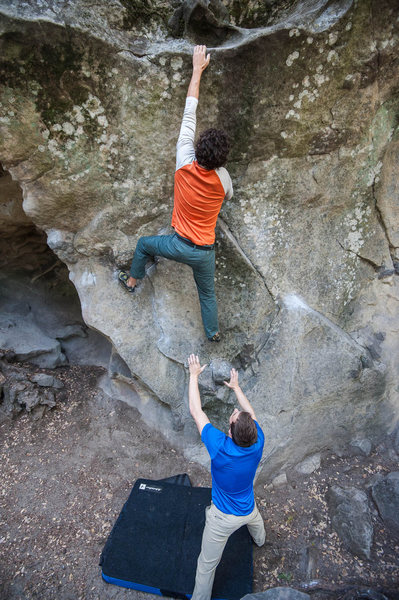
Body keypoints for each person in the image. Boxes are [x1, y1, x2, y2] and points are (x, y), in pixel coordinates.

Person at [118, 45, 233, 342]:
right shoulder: (223, 179)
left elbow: (189, 112)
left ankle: (131, 282)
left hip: (178, 245)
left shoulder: (184, 160)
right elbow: (228, 197)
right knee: (207, 293)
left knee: (144, 244)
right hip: (205, 252)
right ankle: (213, 333)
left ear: (197, 148)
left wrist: (196, 70)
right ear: (222, 160)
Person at [187, 354, 265, 600]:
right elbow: (250, 413)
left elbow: (196, 410)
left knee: (206, 565)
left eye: (232, 418)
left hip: (222, 517)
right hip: (247, 506)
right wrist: (237, 388)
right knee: (255, 521)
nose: (234, 412)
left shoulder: (220, 447)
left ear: (230, 433)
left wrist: (193, 376)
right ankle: (261, 541)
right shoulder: (257, 442)